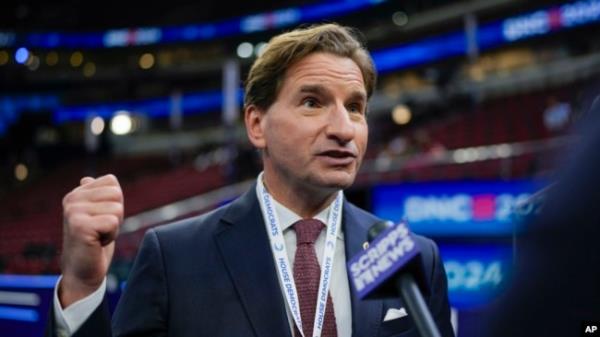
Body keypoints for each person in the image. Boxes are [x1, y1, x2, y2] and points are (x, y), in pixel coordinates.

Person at [47, 23, 454, 337]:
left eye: (355, 107)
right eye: (312, 102)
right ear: (257, 125)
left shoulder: (405, 254)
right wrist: (82, 287)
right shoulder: (175, 256)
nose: (344, 128)